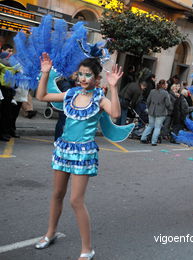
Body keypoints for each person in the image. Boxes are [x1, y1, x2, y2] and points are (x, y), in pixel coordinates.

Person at [34, 53, 123, 260]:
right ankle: (50, 233)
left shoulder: (100, 99)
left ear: (97, 78)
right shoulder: (72, 93)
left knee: (75, 200)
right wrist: (45, 74)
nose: (83, 78)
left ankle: (87, 248)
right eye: (81, 74)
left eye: (88, 75)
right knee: (57, 194)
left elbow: (116, 114)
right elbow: (42, 97)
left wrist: (114, 88)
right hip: (63, 149)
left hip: (83, 153)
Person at [140, 79, 171, 146]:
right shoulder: (165, 93)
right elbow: (168, 104)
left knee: (150, 125)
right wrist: (169, 109)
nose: (166, 85)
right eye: (165, 84)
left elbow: (148, 101)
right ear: (163, 85)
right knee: (157, 127)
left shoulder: (152, 91)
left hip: (151, 111)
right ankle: (153, 142)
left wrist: (149, 108)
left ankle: (143, 138)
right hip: (161, 112)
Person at [54, 72, 77, 141]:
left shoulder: (69, 82)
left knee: (62, 122)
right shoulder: (66, 84)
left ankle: (59, 138)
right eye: (76, 74)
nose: (78, 76)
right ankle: (59, 139)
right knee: (63, 123)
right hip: (65, 107)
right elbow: (68, 96)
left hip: (64, 107)